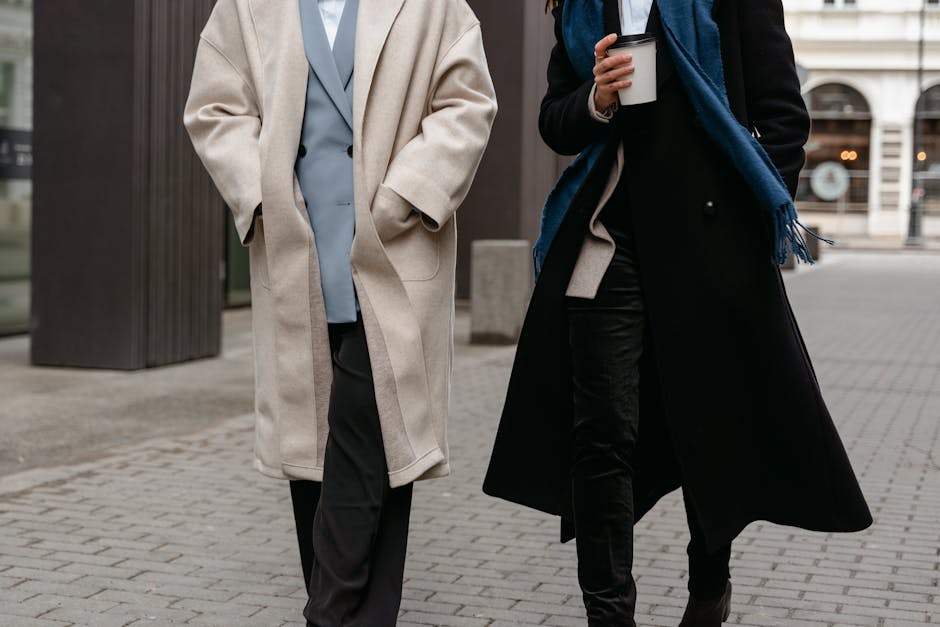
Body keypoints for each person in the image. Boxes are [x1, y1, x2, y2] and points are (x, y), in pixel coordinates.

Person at [483, 0, 872, 625]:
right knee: (602, 433)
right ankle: (609, 614)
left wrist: (751, 218)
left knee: (707, 423)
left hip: (708, 243)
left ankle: (708, 578)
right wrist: (597, 100)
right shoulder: (581, 7)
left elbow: (783, 114)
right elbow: (555, 121)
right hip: (608, 239)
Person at [184, 0, 497, 624]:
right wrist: (263, 194)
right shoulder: (249, 8)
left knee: (374, 438)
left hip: (393, 262)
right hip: (300, 265)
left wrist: (407, 192)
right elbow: (215, 109)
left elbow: (467, 105)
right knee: (316, 460)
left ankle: (326, 613)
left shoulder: (434, 6)